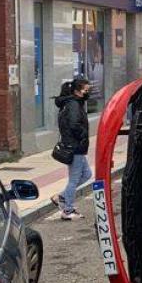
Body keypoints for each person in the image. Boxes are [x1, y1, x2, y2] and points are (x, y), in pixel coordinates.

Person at [52, 77, 92, 221]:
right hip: (75, 146)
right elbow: (74, 124)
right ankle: (67, 210)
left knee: (87, 174)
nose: (88, 93)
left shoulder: (73, 102)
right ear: (77, 91)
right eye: (85, 90)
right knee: (74, 179)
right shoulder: (73, 104)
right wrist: (83, 135)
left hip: (76, 146)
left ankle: (61, 197)